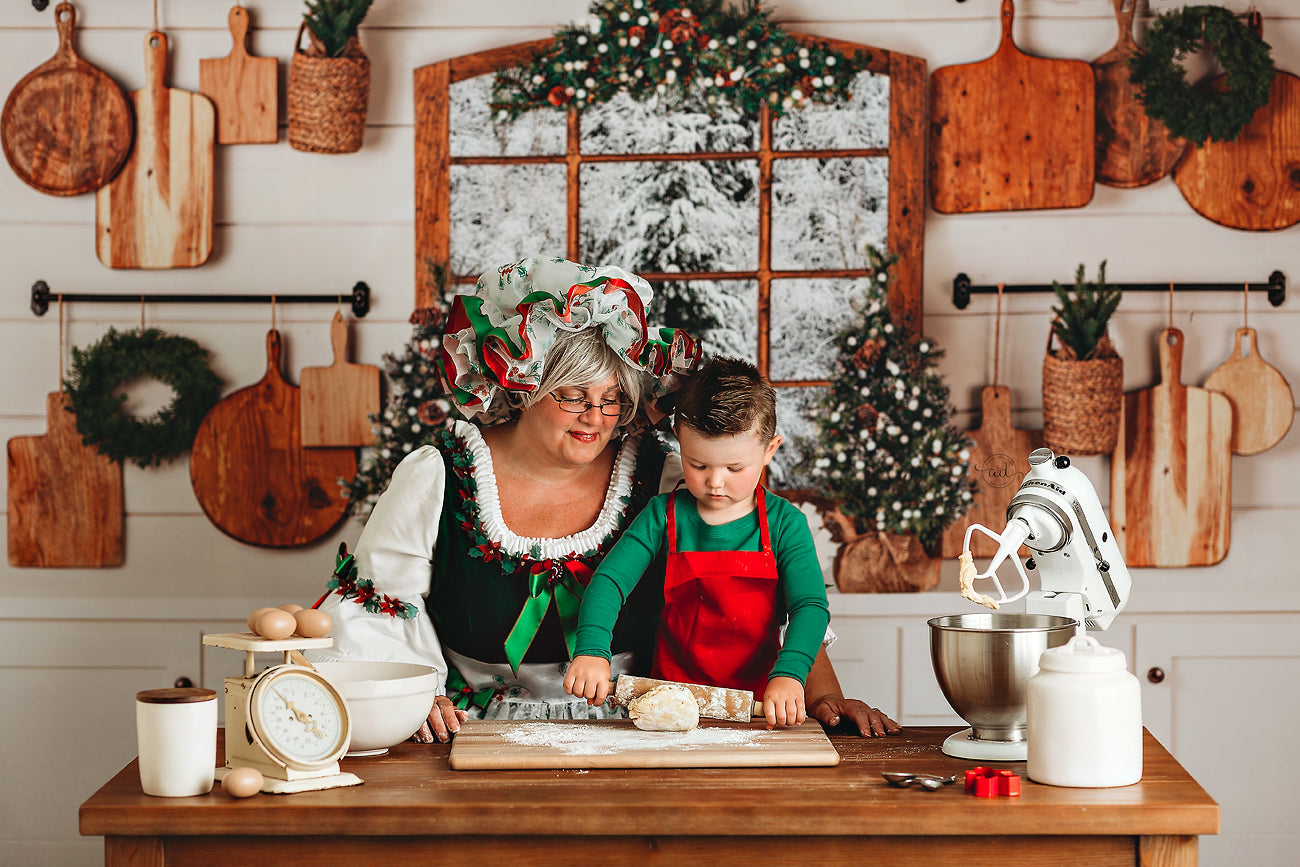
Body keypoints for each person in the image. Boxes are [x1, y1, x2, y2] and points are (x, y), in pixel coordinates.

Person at [310, 256, 901, 742]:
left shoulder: (667, 478)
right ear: (523, 386)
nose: (597, 417)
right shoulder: (440, 476)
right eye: (573, 396)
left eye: (613, 397)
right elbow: (375, 613)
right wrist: (414, 696)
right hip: (469, 735)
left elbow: (766, 592)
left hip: (636, 732)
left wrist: (824, 696)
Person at [564, 357, 829, 728]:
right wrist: (592, 650)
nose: (715, 482)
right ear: (679, 440)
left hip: (758, 709)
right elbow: (609, 581)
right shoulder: (663, 515)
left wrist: (790, 675)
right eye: (698, 465)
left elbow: (811, 607)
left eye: (734, 469)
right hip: (671, 706)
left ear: (770, 449)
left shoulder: (786, 524)